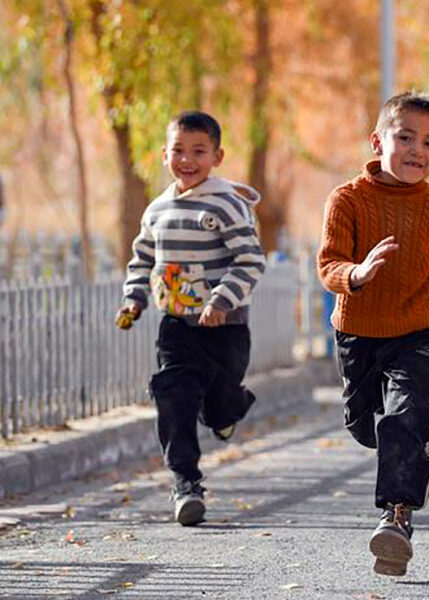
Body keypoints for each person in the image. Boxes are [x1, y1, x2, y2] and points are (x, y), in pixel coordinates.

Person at [316, 91, 429, 577]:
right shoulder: (347, 200)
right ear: (378, 140)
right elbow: (328, 265)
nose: (417, 151)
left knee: (403, 415)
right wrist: (358, 273)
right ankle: (414, 444)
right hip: (359, 333)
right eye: (405, 137)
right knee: (368, 429)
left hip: (418, 331)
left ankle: (396, 518)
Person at [117, 110, 266, 527]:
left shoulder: (227, 203)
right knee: (174, 396)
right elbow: (141, 259)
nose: (187, 159)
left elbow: (251, 260)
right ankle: (186, 483)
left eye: (198, 151)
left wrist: (221, 301)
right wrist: (135, 299)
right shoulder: (157, 209)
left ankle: (227, 411)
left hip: (224, 327)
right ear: (164, 153)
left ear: (217, 156)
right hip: (176, 326)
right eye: (179, 150)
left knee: (220, 404)